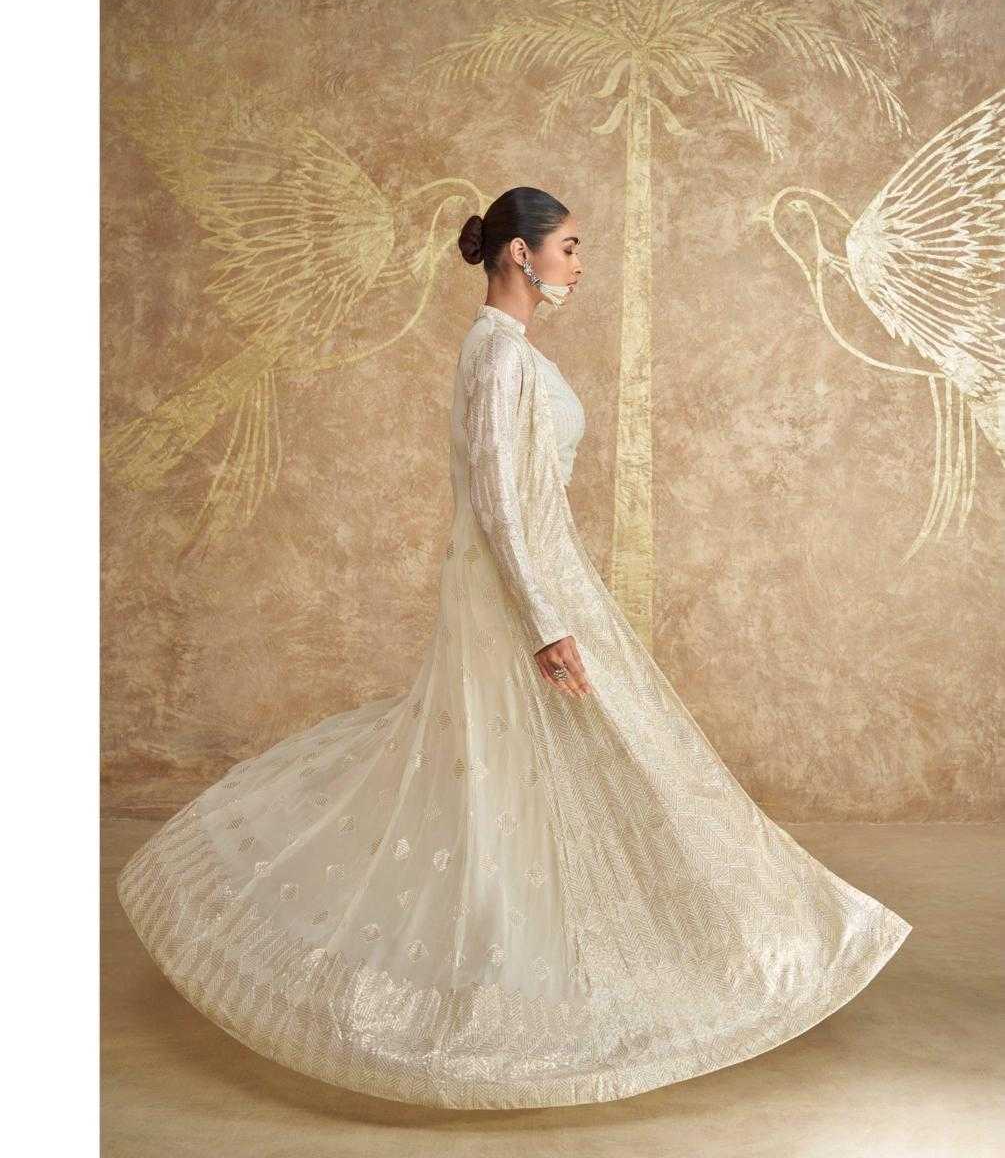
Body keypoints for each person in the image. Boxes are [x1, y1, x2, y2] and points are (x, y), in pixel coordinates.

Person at [117, 186, 912, 1110]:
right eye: (568, 246)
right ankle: (539, 981)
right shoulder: (497, 355)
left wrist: (554, 606)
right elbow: (496, 501)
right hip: (519, 593)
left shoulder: (508, 351)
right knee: (515, 768)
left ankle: (711, 947)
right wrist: (543, 624)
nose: (579, 263)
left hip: (542, 580)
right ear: (519, 255)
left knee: (573, 761)